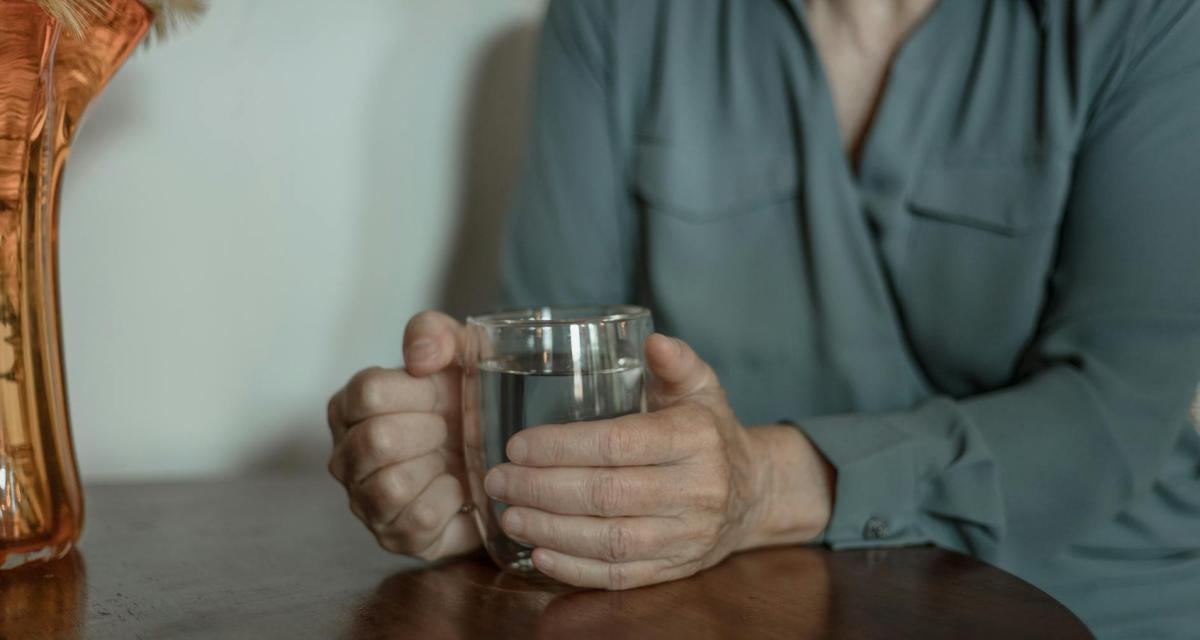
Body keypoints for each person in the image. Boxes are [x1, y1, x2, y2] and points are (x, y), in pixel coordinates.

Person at [326, 1, 1200, 636]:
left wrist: (765, 485)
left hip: (1089, 594)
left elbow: (1114, 412)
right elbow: (556, 373)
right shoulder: (611, 20)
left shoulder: (1151, 21)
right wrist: (478, 474)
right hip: (736, 606)